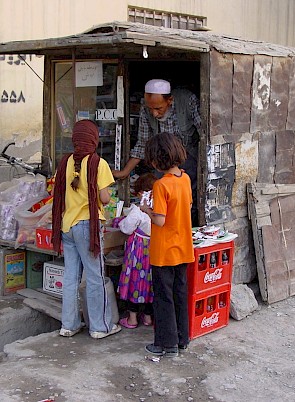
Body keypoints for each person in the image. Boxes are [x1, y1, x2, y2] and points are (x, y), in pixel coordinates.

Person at [52, 119, 121, 339]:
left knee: (71, 276)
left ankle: (69, 325)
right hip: (87, 226)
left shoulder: (65, 162)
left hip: (67, 225)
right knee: (95, 277)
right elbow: (103, 196)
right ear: (93, 139)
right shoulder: (97, 163)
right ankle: (100, 327)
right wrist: (108, 198)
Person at [112, 78, 201, 227]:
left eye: (158, 108)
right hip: (163, 163)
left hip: (190, 159)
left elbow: (205, 133)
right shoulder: (146, 109)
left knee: (187, 204)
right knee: (162, 202)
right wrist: (125, 172)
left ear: (170, 100)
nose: (153, 113)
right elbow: (142, 143)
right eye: (150, 108)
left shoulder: (187, 101)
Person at [140, 132, 194, 358]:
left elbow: (160, 220)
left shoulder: (161, 185)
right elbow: (187, 207)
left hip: (163, 251)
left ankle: (166, 343)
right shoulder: (186, 179)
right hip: (183, 247)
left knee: (163, 297)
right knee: (180, 294)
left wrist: (146, 210)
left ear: (157, 160)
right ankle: (182, 339)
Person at [117, 172, 157, 328]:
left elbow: (127, 228)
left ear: (141, 193)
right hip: (153, 251)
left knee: (134, 281)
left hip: (138, 253)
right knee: (149, 283)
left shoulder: (138, 211)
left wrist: (119, 223)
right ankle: (148, 318)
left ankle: (132, 319)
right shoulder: (158, 210)